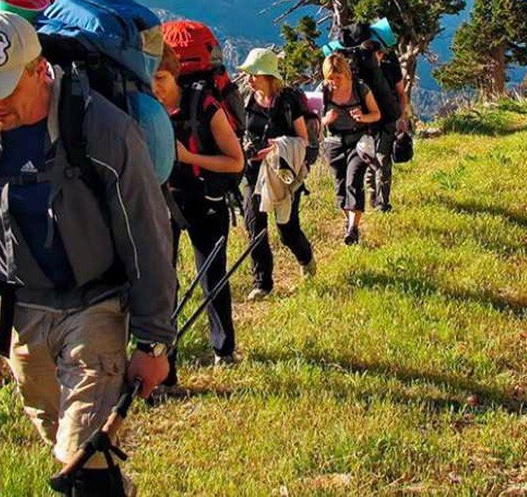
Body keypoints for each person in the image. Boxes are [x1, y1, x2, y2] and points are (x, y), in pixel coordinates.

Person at [0, 10, 175, 496]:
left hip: (96, 307)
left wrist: (153, 343)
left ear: (39, 71)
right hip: (21, 312)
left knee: (76, 459)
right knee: (62, 438)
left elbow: (147, 235)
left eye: (2, 89)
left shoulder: (102, 129)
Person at [152, 45, 245, 368]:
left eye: (161, 77)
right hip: (162, 201)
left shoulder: (203, 105)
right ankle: (165, 367)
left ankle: (224, 350)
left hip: (206, 198)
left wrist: (190, 158)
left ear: (174, 74)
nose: (155, 86)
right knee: (163, 283)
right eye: (149, 78)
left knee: (211, 275)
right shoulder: (146, 108)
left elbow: (235, 162)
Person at [236, 48, 316, 301]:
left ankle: (306, 259)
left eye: (254, 74)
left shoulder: (288, 100)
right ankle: (263, 284)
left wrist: (277, 147)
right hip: (253, 170)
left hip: (283, 170)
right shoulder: (246, 98)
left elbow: (302, 139)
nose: (250, 79)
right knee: (254, 225)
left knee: (287, 227)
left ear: (269, 76)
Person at [321, 52, 381, 245]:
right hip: (334, 143)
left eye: (337, 78)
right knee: (340, 186)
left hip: (358, 141)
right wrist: (325, 120)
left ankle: (353, 228)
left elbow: (376, 114)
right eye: (330, 78)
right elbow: (311, 122)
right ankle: (349, 225)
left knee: (353, 180)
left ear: (347, 74)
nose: (334, 82)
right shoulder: (323, 91)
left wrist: (363, 117)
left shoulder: (360, 89)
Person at [362, 40, 409, 213]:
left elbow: (401, 94)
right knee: (369, 160)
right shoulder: (362, 72)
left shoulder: (390, 69)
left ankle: (382, 202)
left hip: (388, 121)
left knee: (383, 160)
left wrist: (402, 118)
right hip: (367, 122)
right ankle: (373, 198)